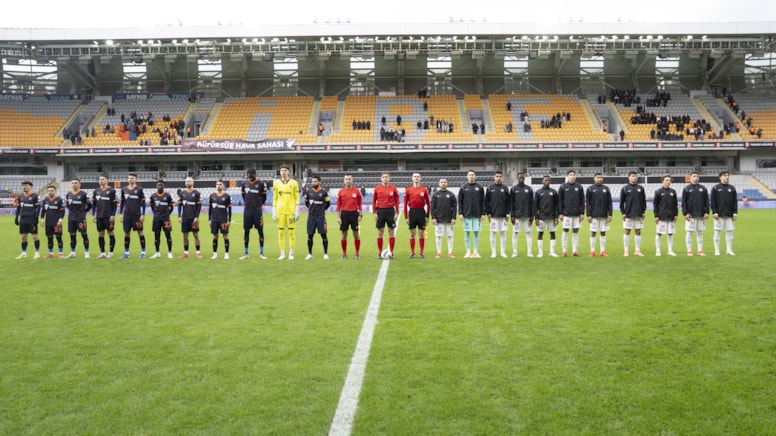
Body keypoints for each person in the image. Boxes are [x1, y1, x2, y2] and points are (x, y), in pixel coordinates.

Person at [273, 164, 300, 260]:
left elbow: (297, 197)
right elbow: (275, 198)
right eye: (282, 170)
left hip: (291, 212)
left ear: (288, 172)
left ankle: (291, 253)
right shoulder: (276, 183)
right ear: (280, 172)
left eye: (285, 170)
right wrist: (274, 211)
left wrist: (297, 210)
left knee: (291, 233)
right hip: (280, 212)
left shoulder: (294, 183)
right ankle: (282, 253)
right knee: (280, 233)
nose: (283, 172)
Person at [240, 168, 268, 260]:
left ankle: (261, 253)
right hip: (247, 211)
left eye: (252, 175)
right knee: (246, 231)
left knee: (260, 231)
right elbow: (243, 196)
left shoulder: (261, 183)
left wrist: (258, 205)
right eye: (249, 175)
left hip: (257, 212)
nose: (250, 177)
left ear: (255, 174)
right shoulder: (244, 184)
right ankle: (246, 253)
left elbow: (264, 197)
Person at [458, 170, 486, 258]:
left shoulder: (480, 187)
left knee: (476, 233)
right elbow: (460, 201)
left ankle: (475, 251)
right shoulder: (463, 187)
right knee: (467, 233)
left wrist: (483, 213)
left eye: (473, 175)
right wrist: (460, 213)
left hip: (477, 214)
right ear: (467, 177)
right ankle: (468, 252)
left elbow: (483, 201)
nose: (471, 176)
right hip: (467, 214)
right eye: (470, 175)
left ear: (475, 176)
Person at [119, 173, 147, 259]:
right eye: (129, 178)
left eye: (132, 178)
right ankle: (126, 252)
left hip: (137, 215)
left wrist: (143, 214)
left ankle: (143, 252)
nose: (130, 179)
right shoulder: (124, 189)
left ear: (136, 179)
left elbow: (143, 203)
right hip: (127, 215)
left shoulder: (139, 189)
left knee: (140, 232)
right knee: (126, 233)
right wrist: (121, 214)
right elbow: (122, 202)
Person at [710, 170, 738, 256]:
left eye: (728, 175)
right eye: (725, 175)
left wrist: (735, 213)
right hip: (719, 215)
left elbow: (734, 202)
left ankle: (729, 250)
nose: (727, 177)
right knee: (717, 232)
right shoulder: (715, 188)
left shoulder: (732, 188)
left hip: (729, 214)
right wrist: (714, 212)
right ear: (720, 177)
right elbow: (713, 201)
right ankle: (717, 250)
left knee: (730, 232)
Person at [681, 170, 709, 256]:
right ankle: (689, 250)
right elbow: (684, 202)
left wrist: (707, 212)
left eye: (697, 176)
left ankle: (700, 250)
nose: (696, 178)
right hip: (691, 215)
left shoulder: (703, 188)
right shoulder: (686, 189)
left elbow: (707, 201)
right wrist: (685, 213)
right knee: (689, 232)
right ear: (690, 177)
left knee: (700, 233)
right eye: (694, 176)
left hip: (701, 214)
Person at [372, 172, 400, 258]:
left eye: (386, 177)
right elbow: (373, 201)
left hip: (390, 211)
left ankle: (391, 252)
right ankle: (380, 253)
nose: (385, 178)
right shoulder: (377, 188)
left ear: (389, 178)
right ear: (381, 178)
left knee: (391, 232)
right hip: (380, 211)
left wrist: (396, 213)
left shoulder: (394, 188)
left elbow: (397, 201)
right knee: (380, 232)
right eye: (383, 177)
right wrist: (374, 213)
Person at [620, 171, 647, 256]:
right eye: (633, 176)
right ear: (629, 177)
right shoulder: (625, 188)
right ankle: (626, 250)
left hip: (639, 213)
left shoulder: (641, 188)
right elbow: (621, 202)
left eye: (636, 176)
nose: (635, 177)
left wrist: (643, 212)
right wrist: (623, 212)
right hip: (628, 214)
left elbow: (643, 201)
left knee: (638, 231)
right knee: (627, 231)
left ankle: (637, 250)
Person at [558, 169, 585, 256]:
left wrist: (582, 213)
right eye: (570, 175)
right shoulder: (563, 187)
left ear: (575, 176)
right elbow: (560, 201)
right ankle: (564, 250)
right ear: (567, 176)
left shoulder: (579, 187)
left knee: (576, 231)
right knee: (565, 230)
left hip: (576, 213)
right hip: (566, 213)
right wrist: (560, 213)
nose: (572, 176)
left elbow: (582, 201)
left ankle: (574, 250)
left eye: (574, 175)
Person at [404, 172, 430, 258]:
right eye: (414, 176)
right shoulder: (408, 190)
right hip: (412, 212)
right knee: (412, 233)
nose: (416, 178)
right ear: (412, 178)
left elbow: (428, 204)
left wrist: (427, 216)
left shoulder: (424, 190)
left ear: (420, 178)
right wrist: (406, 217)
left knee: (421, 233)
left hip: (421, 212)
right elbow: (404, 204)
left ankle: (421, 253)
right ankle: (412, 253)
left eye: (418, 176)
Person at [586, 172, 612, 257]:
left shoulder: (606, 189)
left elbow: (609, 203)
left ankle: (602, 251)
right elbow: (588, 203)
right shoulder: (590, 189)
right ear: (594, 178)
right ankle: (592, 251)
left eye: (601, 177)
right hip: (594, 215)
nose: (600, 179)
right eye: (598, 177)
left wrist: (610, 214)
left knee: (603, 232)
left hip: (604, 215)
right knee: (593, 232)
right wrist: (588, 214)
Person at [485, 170, 510, 258]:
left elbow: (508, 202)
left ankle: (503, 252)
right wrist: (488, 213)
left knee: (503, 233)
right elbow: (486, 202)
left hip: (503, 215)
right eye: (497, 176)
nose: (498, 178)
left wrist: (507, 213)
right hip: (493, 215)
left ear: (502, 178)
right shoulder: (490, 187)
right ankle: (494, 252)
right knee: (493, 233)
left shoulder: (505, 188)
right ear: (494, 177)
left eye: (500, 176)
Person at [304, 175, 331, 259]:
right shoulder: (308, 192)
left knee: (323, 235)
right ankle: (310, 253)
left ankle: (325, 253)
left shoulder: (324, 192)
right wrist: (310, 208)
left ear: (319, 182)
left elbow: (328, 203)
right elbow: (306, 202)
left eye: (315, 181)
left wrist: (322, 209)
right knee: (310, 235)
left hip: (321, 217)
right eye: (312, 181)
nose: (313, 183)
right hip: (311, 217)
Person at [336, 174, 363, 259]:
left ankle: (357, 253)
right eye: (346, 179)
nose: (348, 180)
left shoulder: (357, 191)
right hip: (344, 214)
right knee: (344, 235)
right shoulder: (340, 192)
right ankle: (344, 253)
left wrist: (360, 215)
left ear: (352, 180)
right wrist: (338, 217)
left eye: (349, 179)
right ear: (344, 181)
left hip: (354, 214)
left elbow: (360, 204)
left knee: (356, 234)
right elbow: (338, 205)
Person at [430, 178, 457, 258]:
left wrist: (453, 218)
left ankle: (450, 253)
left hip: (449, 219)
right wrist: (433, 217)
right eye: (441, 182)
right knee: (438, 236)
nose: (443, 183)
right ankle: (439, 253)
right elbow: (432, 207)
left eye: (445, 182)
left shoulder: (451, 194)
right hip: (439, 219)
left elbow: (455, 206)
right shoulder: (435, 194)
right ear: (439, 184)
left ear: (447, 183)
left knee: (450, 236)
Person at [13, 181, 41, 259]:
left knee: (34, 236)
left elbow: (38, 208)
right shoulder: (20, 196)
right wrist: (16, 217)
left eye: (26, 185)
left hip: (31, 218)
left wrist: (36, 217)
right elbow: (18, 208)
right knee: (23, 237)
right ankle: (24, 253)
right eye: (23, 186)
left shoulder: (35, 196)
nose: (24, 187)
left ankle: (37, 253)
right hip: (23, 218)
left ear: (30, 187)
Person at [92, 175, 118, 259]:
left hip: (108, 216)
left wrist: (113, 215)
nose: (101, 180)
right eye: (99, 179)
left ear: (107, 180)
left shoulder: (112, 190)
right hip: (99, 216)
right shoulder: (96, 191)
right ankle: (102, 253)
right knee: (100, 234)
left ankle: (110, 253)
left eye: (103, 179)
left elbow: (115, 204)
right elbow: (94, 204)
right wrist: (93, 214)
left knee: (110, 232)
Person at [653, 174, 678, 256]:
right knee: (659, 233)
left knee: (670, 233)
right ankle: (658, 251)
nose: (668, 182)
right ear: (663, 181)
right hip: (661, 216)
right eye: (666, 180)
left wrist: (676, 215)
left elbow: (675, 204)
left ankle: (670, 250)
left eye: (669, 180)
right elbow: (655, 204)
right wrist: (656, 215)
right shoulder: (658, 191)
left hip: (671, 216)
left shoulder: (673, 192)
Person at [534, 175, 559, 257]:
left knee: (552, 233)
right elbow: (536, 206)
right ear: (542, 181)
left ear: (550, 182)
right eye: (545, 180)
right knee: (540, 234)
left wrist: (556, 217)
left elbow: (556, 206)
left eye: (548, 180)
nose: (547, 181)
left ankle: (552, 252)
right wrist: (536, 217)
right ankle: (540, 252)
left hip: (551, 217)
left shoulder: (554, 192)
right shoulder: (538, 192)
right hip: (541, 217)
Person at [510, 172, 534, 257]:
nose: (521, 178)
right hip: (517, 216)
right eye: (520, 177)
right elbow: (511, 203)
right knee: (515, 233)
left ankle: (529, 252)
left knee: (529, 233)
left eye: (523, 177)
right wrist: (512, 215)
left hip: (527, 216)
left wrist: (532, 215)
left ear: (524, 178)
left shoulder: (529, 189)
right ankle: (515, 252)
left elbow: (532, 203)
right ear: (517, 178)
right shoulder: (513, 189)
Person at [177, 177, 203, 258]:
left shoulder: (196, 193)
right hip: (184, 218)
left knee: (195, 235)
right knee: (185, 236)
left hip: (193, 218)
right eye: (186, 181)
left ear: (193, 182)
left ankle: (198, 252)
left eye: (189, 181)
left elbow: (199, 206)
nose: (188, 183)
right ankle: (186, 253)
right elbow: (179, 205)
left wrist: (196, 217)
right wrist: (179, 216)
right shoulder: (182, 193)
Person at [65, 178, 91, 258]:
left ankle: (87, 253)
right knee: (72, 235)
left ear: (79, 184)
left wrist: (83, 211)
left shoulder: (84, 194)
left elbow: (89, 205)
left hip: (80, 218)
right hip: (71, 218)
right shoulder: (68, 194)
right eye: (72, 183)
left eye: (75, 183)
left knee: (84, 234)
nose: (74, 184)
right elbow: (68, 205)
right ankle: (73, 253)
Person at [149, 180, 175, 258]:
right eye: (158, 185)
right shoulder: (153, 196)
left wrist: (168, 214)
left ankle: (169, 252)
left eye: (161, 185)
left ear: (164, 186)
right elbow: (152, 206)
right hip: (156, 219)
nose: (160, 186)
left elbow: (172, 206)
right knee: (157, 235)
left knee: (168, 235)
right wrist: (155, 213)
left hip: (166, 219)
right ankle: (157, 253)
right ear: (156, 186)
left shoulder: (168, 196)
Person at [208, 179, 232, 259]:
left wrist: (229, 220)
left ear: (223, 186)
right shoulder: (212, 196)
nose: (218, 185)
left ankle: (226, 253)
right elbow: (210, 209)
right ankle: (215, 254)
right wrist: (209, 219)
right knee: (215, 236)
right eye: (217, 184)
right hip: (214, 219)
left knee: (225, 236)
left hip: (223, 220)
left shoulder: (227, 196)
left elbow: (229, 209)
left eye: (220, 184)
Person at [40, 185, 66, 258]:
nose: (50, 192)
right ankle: (50, 253)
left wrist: (60, 219)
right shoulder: (45, 200)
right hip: (48, 222)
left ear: (55, 191)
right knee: (49, 238)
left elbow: (62, 211)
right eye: (49, 191)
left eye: (52, 191)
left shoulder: (60, 200)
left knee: (58, 237)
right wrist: (42, 218)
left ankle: (60, 253)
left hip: (57, 222)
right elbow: (43, 210)